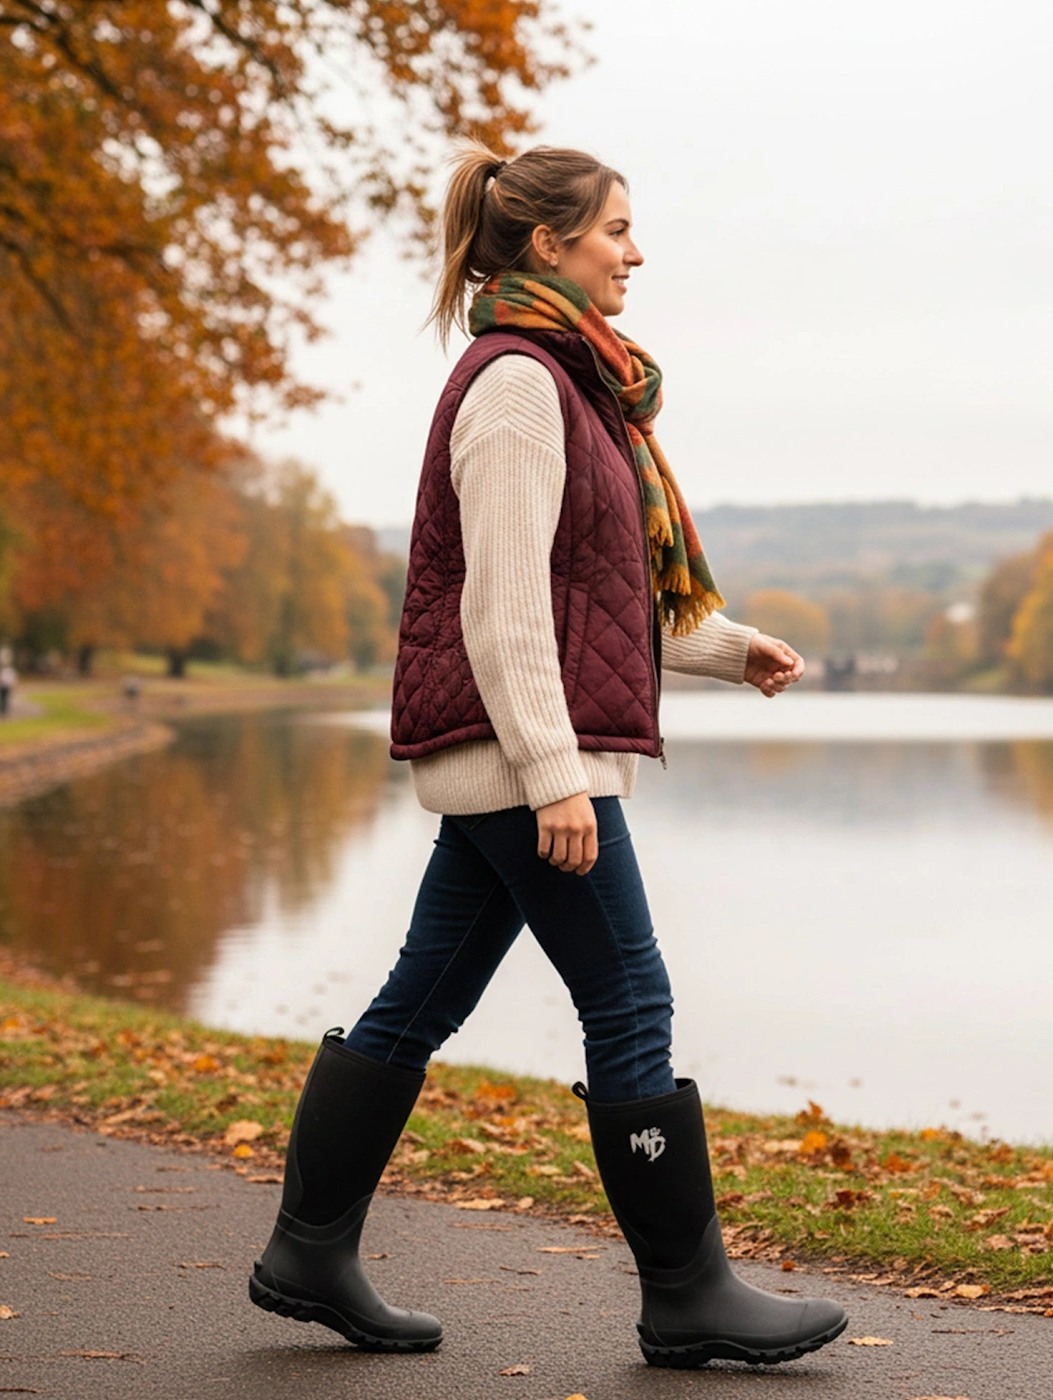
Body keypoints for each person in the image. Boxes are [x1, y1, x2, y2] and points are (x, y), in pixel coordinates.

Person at [250, 144, 848, 1368]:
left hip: (511, 760)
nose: (636, 252)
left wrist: (729, 649)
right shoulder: (521, 387)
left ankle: (308, 1249)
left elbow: (593, 597)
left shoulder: (573, 385)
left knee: (419, 999)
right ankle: (687, 1291)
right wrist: (556, 773)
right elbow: (506, 608)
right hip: (525, 761)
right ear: (548, 244)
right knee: (629, 998)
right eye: (616, 229)